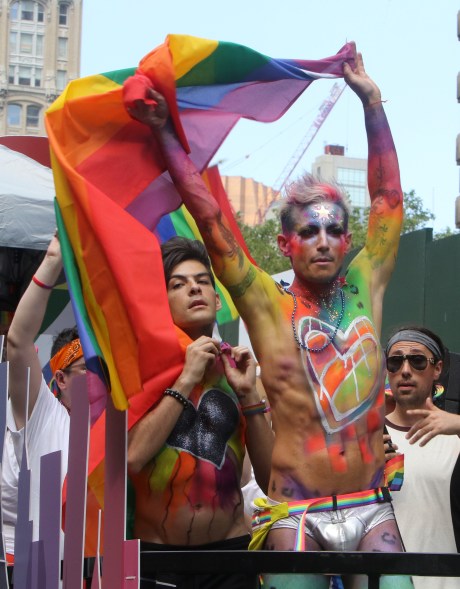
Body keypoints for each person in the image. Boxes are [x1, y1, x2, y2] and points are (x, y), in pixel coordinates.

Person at [127, 44, 411, 588]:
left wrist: (372, 105)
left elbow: (388, 199)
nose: (323, 242)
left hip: (372, 504)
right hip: (296, 513)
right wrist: (165, 132)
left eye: (333, 230)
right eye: (308, 231)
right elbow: (210, 222)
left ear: (349, 239)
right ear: (285, 243)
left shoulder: (367, 278)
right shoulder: (264, 300)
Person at [127, 237, 273, 589]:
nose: (194, 288)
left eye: (202, 281)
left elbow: (270, 482)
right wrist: (186, 377)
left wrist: (250, 396)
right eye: (179, 284)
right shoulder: (140, 372)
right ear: (162, 305)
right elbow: (131, 458)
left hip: (230, 559)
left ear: (218, 299)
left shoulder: (240, 371)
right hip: (157, 562)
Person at [2, 235, 86, 559]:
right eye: (86, 369)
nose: (98, 380)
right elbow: (19, 341)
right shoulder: (45, 417)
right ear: (61, 378)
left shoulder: (119, 429)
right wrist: (53, 259)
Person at [385, 326, 460, 589]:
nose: (405, 370)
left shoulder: (455, 436)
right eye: (395, 361)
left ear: (437, 369)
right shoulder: (369, 439)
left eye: (417, 360)